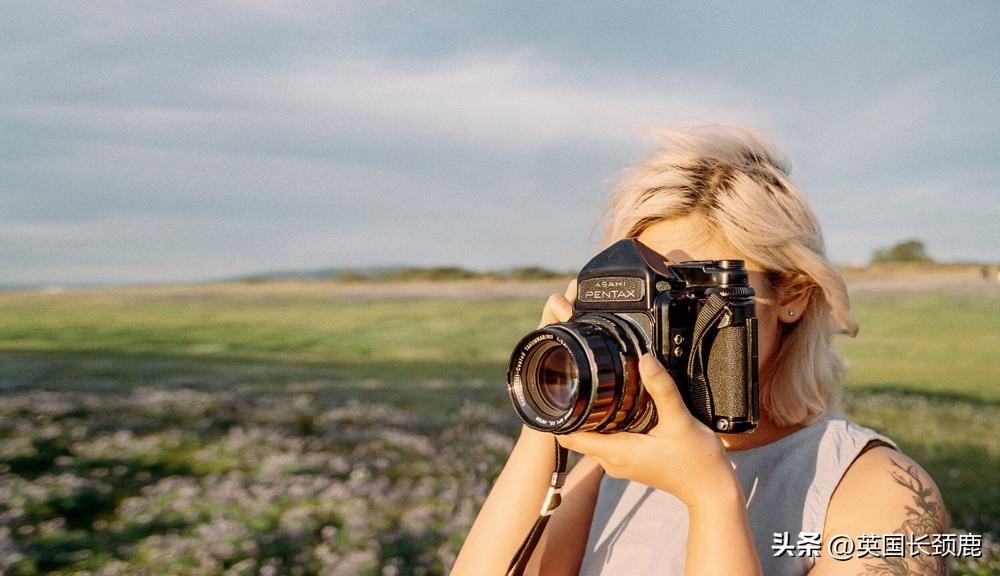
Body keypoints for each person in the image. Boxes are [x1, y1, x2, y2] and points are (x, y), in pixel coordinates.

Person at [451, 125, 947, 576]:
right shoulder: (613, 463)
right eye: (644, 297)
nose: (661, 327)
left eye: (687, 295)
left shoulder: (882, 491)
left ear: (793, 295)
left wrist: (710, 498)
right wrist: (554, 405)